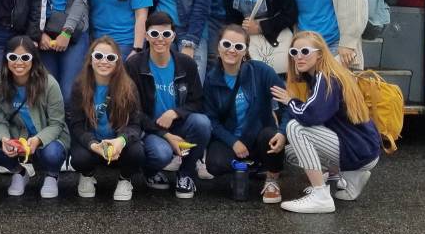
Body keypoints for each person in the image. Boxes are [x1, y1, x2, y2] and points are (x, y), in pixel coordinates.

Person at [270, 31, 381, 213]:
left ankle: (320, 195)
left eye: (305, 51)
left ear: (320, 53)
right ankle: (351, 177)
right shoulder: (323, 75)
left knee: (296, 128)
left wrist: (290, 101)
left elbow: (312, 116)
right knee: (290, 152)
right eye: (294, 52)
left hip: (358, 149)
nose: (299, 57)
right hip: (362, 150)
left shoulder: (326, 77)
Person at [125, 12, 211, 200]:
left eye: (166, 35)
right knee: (160, 154)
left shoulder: (186, 63)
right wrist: (165, 135)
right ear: (146, 36)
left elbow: (197, 102)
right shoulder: (134, 65)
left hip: (179, 123)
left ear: (173, 36)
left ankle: (185, 174)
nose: (160, 40)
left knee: (202, 123)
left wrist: (175, 112)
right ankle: (150, 172)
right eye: (154, 34)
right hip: (149, 129)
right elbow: (133, 111)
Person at [203, 25, 286, 204]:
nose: (232, 50)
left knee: (272, 136)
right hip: (231, 140)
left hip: (258, 138)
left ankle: (272, 179)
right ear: (218, 46)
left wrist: (284, 131)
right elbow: (211, 120)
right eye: (227, 44)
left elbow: (287, 104)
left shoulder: (262, 72)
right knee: (214, 163)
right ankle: (242, 170)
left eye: (238, 46)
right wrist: (233, 141)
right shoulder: (211, 79)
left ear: (246, 51)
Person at [0, 36, 68, 198]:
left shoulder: (49, 83)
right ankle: (20, 172)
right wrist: (4, 139)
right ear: (6, 59)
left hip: (46, 136)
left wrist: (38, 140)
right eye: (13, 57)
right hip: (17, 135)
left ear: (33, 59)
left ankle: (52, 175)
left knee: (53, 153)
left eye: (25, 57)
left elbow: (57, 123)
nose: (19, 62)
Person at [65, 37, 146, 201]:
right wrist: (93, 144)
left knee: (137, 152)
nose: (104, 61)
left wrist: (120, 141)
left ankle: (125, 179)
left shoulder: (128, 86)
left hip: (117, 145)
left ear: (117, 62)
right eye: (98, 56)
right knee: (80, 159)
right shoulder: (79, 86)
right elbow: (77, 125)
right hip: (93, 145)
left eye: (110, 57)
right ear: (90, 59)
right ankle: (87, 175)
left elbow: (136, 125)